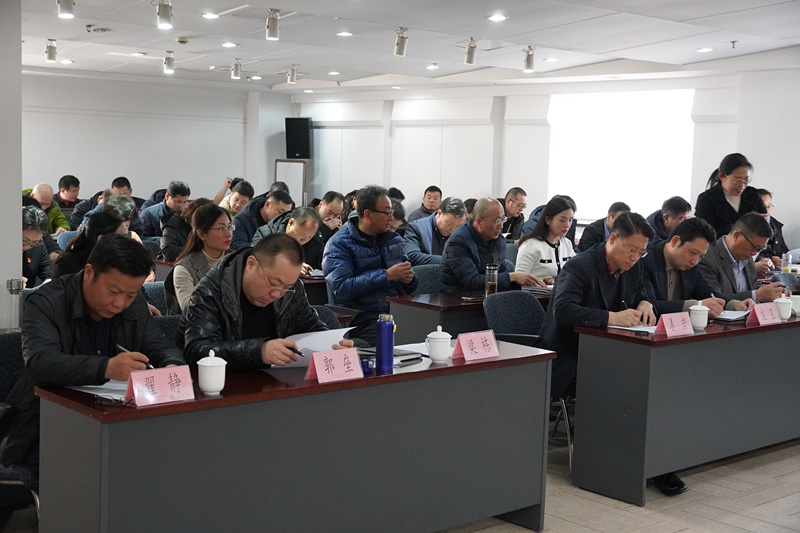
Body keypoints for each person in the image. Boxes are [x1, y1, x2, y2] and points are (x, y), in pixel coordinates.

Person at [0, 234, 186, 480]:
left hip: (114, 420)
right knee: (93, 473)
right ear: (89, 272)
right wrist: (107, 368)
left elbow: (159, 345)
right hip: (45, 424)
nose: (119, 303)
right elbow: (40, 362)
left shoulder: (134, 304)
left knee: (161, 461)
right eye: (113, 291)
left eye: (130, 295)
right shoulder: (46, 302)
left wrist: (172, 366)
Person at [178, 233, 353, 369]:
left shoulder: (292, 290)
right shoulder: (210, 291)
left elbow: (311, 327)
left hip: (275, 383)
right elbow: (198, 350)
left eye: (286, 287)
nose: (278, 294)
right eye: (273, 284)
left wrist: (332, 345)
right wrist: (258, 351)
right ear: (251, 264)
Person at [323, 186, 418, 344]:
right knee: (393, 341)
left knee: (430, 330)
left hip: (398, 311)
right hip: (364, 317)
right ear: (368, 214)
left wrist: (409, 279)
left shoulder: (393, 239)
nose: (391, 218)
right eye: (386, 213)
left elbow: (411, 286)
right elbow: (342, 289)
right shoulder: (339, 244)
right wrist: (386, 276)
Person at [641, 217, 752, 317]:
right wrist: (697, 305)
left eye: (701, 256)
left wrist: (735, 304)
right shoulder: (646, 260)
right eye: (693, 252)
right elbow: (649, 304)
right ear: (675, 241)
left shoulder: (690, 265)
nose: (695, 261)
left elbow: (707, 293)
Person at [439, 197, 543, 292]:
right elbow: (472, 281)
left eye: (503, 219)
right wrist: (511, 277)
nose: (501, 226)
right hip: (455, 299)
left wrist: (534, 282)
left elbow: (500, 275)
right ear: (479, 222)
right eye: (497, 221)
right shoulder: (457, 242)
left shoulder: (498, 239)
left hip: (486, 296)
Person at [698, 213, 785, 304]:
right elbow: (713, 298)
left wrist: (774, 292)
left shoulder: (746, 256)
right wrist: (756, 295)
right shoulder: (707, 258)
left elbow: (752, 288)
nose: (755, 253)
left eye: (759, 249)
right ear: (737, 236)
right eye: (754, 247)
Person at [166, 204, 232, 313]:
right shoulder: (185, 267)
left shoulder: (236, 259)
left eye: (229, 227)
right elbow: (190, 310)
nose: (229, 234)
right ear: (201, 234)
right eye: (221, 229)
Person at [695, 153, 766, 238]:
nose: (742, 185)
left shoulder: (752, 194)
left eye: (746, 179)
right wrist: (744, 226)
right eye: (737, 180)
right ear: (722, 177)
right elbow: (706, 234)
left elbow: (766, 224)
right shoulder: (707, 199)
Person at [515, 195, 577, 284]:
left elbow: (576, 270)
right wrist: (540, 282)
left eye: (570, 220)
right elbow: (519, 280)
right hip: (537, 292)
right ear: (548, 220)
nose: (567, 225)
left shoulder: (567, 244)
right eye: (562, 220)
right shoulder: (530, 245)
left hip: (562, 291)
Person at [48, 211, 127, 279]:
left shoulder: (124, 261)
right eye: (122, 237)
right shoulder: (68, 264)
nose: (127, 240)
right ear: (101, 239)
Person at [251, 206, 322, 272]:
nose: (305, 240)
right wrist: (290, 268)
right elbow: (256, 263)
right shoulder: (265, 235)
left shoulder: (315, 243)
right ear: (291, 223)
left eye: (310, 237)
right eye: (302, 235)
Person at [404, 197, 467, 265]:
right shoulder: (417, 228)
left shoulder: (462, 232)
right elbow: (411, 256)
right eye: (449, 224)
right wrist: (448, 261)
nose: (453, 229)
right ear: (439, 213)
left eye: (458, 226)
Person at [160, 198, 213, 263]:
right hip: (173, 264)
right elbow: (168, 251)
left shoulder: (208, 226)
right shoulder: (174, 224)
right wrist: (199, 252)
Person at [757, 188, 789, 267]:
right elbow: (745, 254)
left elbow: (783, 250)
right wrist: (770, 259)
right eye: (763, 207)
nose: (767, 211)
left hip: (778, 270)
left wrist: (790, 257)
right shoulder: (745, 227)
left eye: (769, 206)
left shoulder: (776, 226)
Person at [22, 206, 51, 288]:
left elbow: (47, 269)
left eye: (34, 242)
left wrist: (50, 280)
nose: (27, 247)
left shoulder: (38, 247)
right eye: (24, 241)